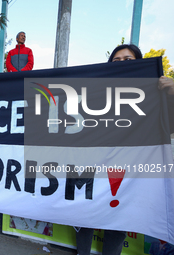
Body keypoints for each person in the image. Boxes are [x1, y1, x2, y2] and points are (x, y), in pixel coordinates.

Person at [76, 44, 174, 255]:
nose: (122, 63)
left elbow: (170, 126)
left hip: (129, 169)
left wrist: (171, 94)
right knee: (84, 216)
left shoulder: (154, 94)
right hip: (95, 163)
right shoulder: (94, 92)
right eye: (116, 60)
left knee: (118, 221)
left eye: (128, 59)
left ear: (139, 63)